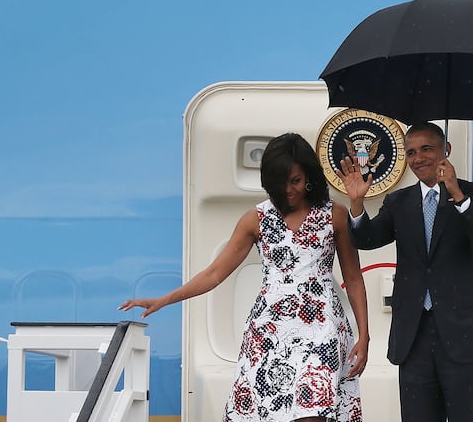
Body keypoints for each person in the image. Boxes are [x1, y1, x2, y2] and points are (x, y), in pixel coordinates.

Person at [118, 133, 369, 422]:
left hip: (323, 328)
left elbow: (355, 279)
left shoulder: (334, 214)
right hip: (269, 330)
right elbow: (213, 274)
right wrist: (165, 299)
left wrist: (364, 336)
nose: (288, 190)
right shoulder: (256, 218)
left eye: (296, 180)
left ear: (309, 177)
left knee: (313, 413)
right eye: (280, 182)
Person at [337, 121, 473, 422]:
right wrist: (357, 204)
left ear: (446, 150)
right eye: (411, 152)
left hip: (464, 333)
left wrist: (456, 194)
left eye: (427, 148)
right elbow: (367, 239)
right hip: (414, 336)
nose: (418, 158)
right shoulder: (399, 202)